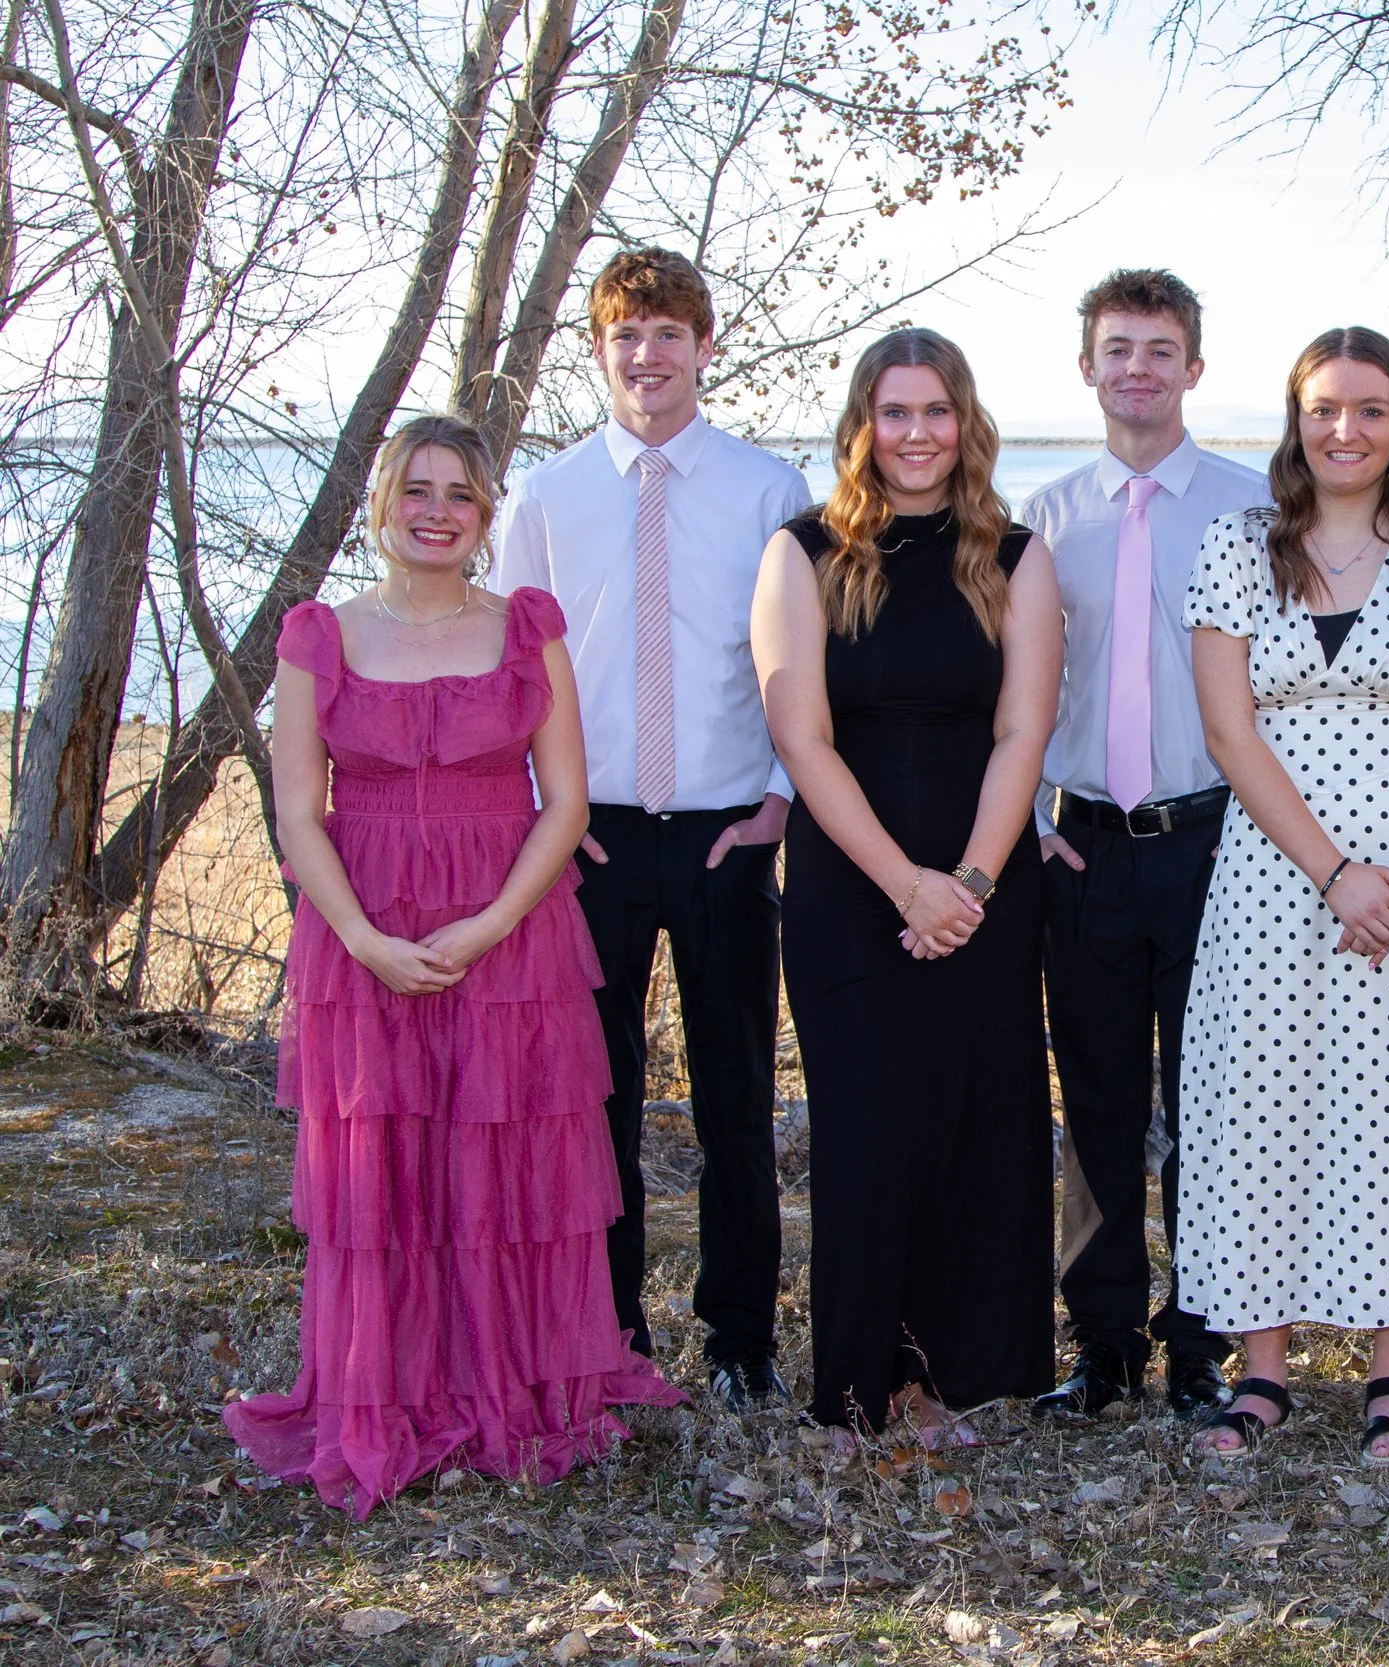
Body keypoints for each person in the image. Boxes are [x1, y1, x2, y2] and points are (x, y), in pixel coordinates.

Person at [228, 415, 684, 1518]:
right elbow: (298, 813)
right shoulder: (316, 636)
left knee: (506, 1164)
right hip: (361, 930)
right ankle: (388, 1392)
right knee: (383, 1170)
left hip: (509, 929)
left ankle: (510, 1385)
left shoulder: (524, 629)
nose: (436, 510)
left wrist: (482, 930)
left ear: (485, 517)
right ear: (381, 503)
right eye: (416, 489)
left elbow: (565, 802)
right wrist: (365, 938)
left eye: (460, 495)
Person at [1176, 326, 1389, 1465]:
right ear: (1294, 417)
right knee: (1257, 1104)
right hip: (1273, 878)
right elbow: (1229, 728)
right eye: (1324, 407)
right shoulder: (1235, 545)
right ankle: (1260, 1373)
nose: (1345, 429)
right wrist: (1332, 873)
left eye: (1369, 408)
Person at [495, 248, 811, 1408]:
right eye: (627, 334)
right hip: (593, 837)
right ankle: (610, 1332)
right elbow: (511, 665)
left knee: (736, 1092)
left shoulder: (767, 488)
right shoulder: (546, 496)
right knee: (598, 1096)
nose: (649, 354)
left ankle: (739, 1339)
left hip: (732, 828)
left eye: (670, 332)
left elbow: (795, 656)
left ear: (705, 346)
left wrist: (779, 792)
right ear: (599, 348)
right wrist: (542, 815)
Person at [753, 327, 1063, 1445]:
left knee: (972, 1129)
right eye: (895, 413)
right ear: (862, 425)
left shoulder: (1014, 556)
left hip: (986, 879)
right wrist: (906, 887)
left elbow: (1025, 725)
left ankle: (947, 1379)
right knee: (868, 1133)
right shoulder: (803, 553)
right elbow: (804, 738)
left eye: (936, 412)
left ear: (964, 423)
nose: (917, 434)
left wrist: (970, 883)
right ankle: (854, 1384)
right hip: (851, 887)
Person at [1022, 271, 1270, 1422]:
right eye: (1116, 348)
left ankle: (1205, 1341)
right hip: (1085, 848)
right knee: (1101, 1100)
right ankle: (1105, 1340)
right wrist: (1025, 821)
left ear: (1194, 369)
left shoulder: (1255, 504)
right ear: (1085, 365)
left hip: (1219, 837)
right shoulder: (1042, 517)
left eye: (1159, 349)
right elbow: (1014, 693)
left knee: (1213, 1102)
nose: (1137, 369)